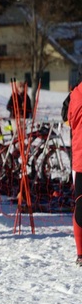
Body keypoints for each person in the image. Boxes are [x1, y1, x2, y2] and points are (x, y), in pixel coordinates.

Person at [66, 80, 82, 265]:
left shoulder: (75, 94)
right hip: (80, 159)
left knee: (80, 204)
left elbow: (69, 119)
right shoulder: (76, 94)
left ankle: (80, 253)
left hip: (79, 159)